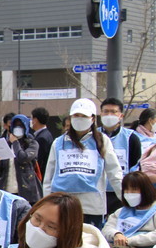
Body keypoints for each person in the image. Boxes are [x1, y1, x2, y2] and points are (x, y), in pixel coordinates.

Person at [43, 98, 123, 228]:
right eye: (76, 115)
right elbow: (49, 177)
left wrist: (124, 198)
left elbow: (114, 172)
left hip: (91, 206)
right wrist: (46, 202)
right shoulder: (58, 142)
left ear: (92, 119)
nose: (80, 119)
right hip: (61, 205)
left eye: (84, 116)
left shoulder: (102, 141)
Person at [99, 97, 143, 214]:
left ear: (121, 116)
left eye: (113, 112)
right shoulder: (92, 136)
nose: (109, 115)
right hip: (97, 192)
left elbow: (136, 167)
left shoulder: (131, 138)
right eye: (106, 111)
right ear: (100, 114)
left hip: (121, 192)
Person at [0, 114, 41, 204]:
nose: (18, 128)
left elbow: (23, 158)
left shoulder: (32, 143)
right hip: (7, 190)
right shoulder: (5, 144)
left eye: (21, 125)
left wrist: (15, 142)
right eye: (16, 125)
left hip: (26, 191)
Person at [30, 107, 53, 175]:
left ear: (35, 120)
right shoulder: (47, 134)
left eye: (31, 118)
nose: (31, 121)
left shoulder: (41, 138)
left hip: (41, 175)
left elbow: (38, 161)